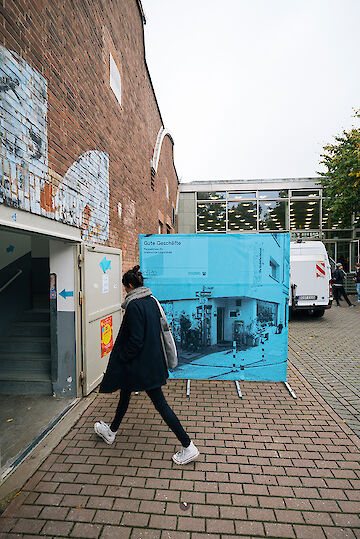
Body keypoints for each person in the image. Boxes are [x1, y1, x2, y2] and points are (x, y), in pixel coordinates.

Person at [94, 265, 199, 465]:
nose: (125, 292)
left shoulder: (134, 306)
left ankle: (188, 446)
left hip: (141, 366)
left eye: (125, 288)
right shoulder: (151, 301)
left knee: (160, 404)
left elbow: (135, 340)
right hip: (150, 362)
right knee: (124, 395)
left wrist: (122, 357)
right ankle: (111, 431)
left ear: (130, 286)